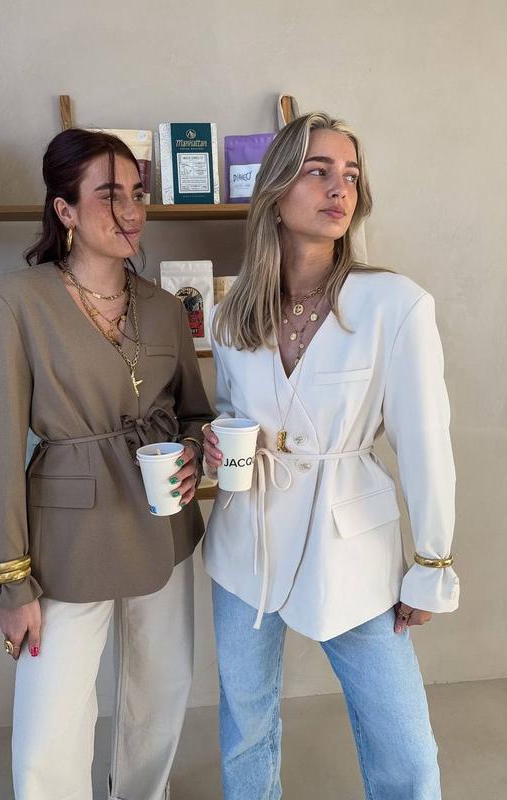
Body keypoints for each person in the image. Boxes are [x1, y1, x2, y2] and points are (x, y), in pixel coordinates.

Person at [202, 111, 459, 800]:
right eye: (318, 172)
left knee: (404, 744)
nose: (339, 188)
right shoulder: (231, 314)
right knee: (246, 724)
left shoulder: (394, 304)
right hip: (246, 538)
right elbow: (230, 412)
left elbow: (425, 440)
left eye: (349, 175)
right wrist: (218, 439)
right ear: (276, 192)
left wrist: (432, 561)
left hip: (351, 539)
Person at [0, 128, 212, 800]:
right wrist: (11, 582)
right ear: (65, 209)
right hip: (68, 537)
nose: (131, 211)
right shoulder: (13, 302)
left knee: (159, 694)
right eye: (109, 195)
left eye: (137, 194)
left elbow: (193, 414)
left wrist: (193, 452)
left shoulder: (165, 308)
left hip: (162, 526)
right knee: (50, 724)